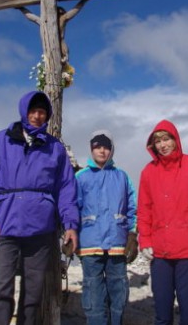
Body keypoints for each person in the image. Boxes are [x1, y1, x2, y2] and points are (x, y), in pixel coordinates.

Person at [0, 90, 79, 325]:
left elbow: (66, 189)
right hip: (3, 227)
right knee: (1, 290)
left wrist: (70, 224)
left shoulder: (54, 148)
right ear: (23, 111)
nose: (37, 116)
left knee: (33, 293)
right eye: (33, 110)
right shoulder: (0, 141)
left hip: (41, 230)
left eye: (42, 112)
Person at [137, 120, 188, 325]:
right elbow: (144, 210)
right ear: (152, 145)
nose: (163, 145)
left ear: (175, 140)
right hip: (160, 251)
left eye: (166, 139)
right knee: (162, 312)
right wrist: (145, 240)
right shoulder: (149, 171)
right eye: (158, 141)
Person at [76, 130, 138, 325]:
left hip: (117, 243)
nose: (102, 151)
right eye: (97, 146)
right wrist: (71, 235)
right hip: (89, 242)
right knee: (93, 294)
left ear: (111, 150)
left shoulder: (122, 176)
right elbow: (72, 207)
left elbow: (132, 207)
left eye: (106, 147)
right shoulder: (80, 177)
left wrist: (131, 234)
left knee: (118, 291)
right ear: (91, 149)